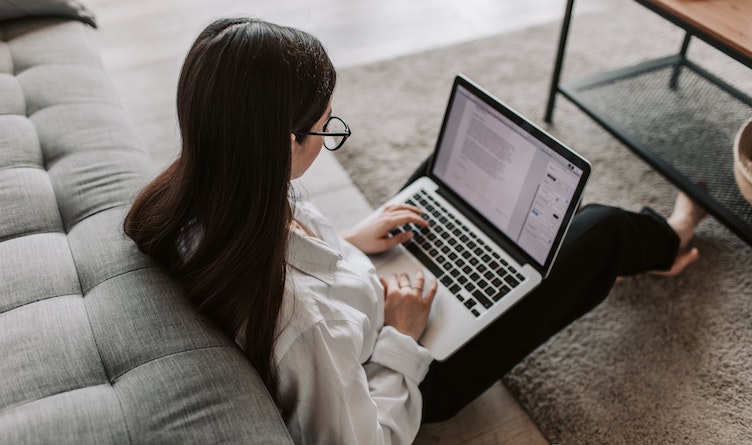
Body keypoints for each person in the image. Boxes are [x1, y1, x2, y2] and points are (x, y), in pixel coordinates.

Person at [124, 17, 707, 444]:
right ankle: (671, 239)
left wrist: (349, 243)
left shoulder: (201, 193)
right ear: (284, 143)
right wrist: (402, 336)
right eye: (328, 131)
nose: (330, 138)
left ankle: (482, 235)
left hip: (364, 299)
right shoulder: (304, 328)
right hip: (411, 368)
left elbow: (285, 264)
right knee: (598, 230)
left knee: (439, 183)